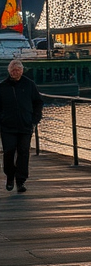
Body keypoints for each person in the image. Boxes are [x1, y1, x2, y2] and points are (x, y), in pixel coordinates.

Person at [0, 59, 43, 193]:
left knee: (24, 152)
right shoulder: (2, 86)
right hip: (7, 127)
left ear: (22, 71)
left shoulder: (29, 85)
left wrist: (34, 119)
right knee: (8, 151)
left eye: (18, 70)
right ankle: (10, 176)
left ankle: (21, 181)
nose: (15, 72)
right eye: (13, 70)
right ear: (9, 71)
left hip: (25, 125)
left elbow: (38, 102)